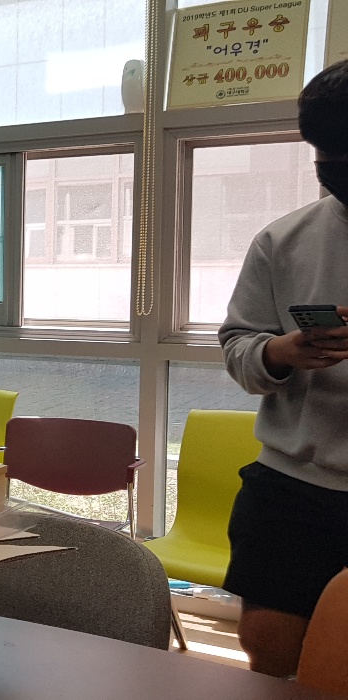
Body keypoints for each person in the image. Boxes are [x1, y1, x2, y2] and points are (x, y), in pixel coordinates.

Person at [220, 59, 348, 677]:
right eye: (327, 156)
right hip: (292, 487)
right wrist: (280, 353)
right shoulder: (283, 240)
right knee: (267, 648)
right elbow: (237, 344)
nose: (335, 169)